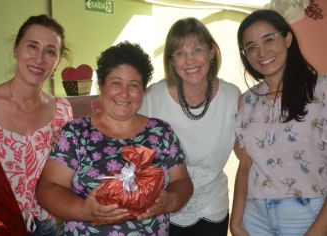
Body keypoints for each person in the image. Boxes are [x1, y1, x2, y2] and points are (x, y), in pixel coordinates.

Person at [35, 41, 193, 236]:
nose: (124, 93)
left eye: (133, 85)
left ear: (143, 90)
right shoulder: (76, 133)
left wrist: (169, 201)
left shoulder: (161, 133)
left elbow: (183, 182)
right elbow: (47, 189)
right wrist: (83, 210)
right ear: (101, 85)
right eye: (116, 83)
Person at [0, 14, 73, 235]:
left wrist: (67, 152)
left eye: (50, 51)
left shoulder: (62, 111)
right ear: (16, 49)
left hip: (46, 227)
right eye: (32, 46)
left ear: (56, 62)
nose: (39, 58)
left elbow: (65, 175)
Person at [139, 17, 241, 235]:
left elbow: (247, 151)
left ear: (212, 52)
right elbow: (123, 131)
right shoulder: (152, 97)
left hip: (213, 205)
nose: (189, 60)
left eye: (197, 49)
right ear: (172, 61)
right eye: (180, 53)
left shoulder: (232, 97)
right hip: (163, 204)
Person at [230, 9, 327, 236]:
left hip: (308, 215)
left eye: (269, 39)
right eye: (251, 47)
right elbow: (245, 166)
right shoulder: (248, 99)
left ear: (287, 38)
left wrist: (318, 231)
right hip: (255, 218)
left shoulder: (321, 91)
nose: (261, 52)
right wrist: (235, 223)